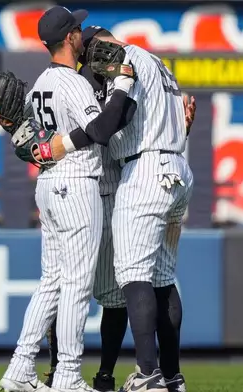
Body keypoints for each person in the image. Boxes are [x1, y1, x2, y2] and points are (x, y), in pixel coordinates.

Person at [43, 27, 197, 392]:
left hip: (144, 172)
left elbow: (120, 119)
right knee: (162, 280)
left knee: (131, 275)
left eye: (92, 50)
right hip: (176, 170)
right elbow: (160, 119)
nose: (91, 59)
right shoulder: (157, 62)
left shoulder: (118, 59)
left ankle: (148, 375)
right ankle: (172, 376)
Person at [0, 6, 138, 392]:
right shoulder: (74, 83)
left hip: (48, 185)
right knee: (75, 286)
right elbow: (101, 129)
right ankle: (68, 377)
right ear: (70, 37)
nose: (81, 34)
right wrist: (123, 85)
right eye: (77, 28)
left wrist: (18, 130)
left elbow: (30, 144)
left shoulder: (42, 81)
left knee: (52, 282)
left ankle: (20, 368)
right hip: (76, 182)